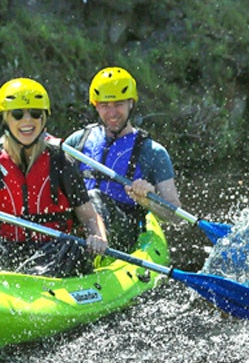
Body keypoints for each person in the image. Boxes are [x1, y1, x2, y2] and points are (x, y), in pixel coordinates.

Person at [0, 78, 109, 277]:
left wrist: (97, 236)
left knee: (68, 247)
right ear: (5, 120)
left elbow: (89, 216)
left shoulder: (61, 161)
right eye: (17, 114)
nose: (27, 121)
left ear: (44, 119)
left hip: (53, 247)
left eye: (35, 114)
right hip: (10, 245)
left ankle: (29, 280)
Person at [66, 67, 182, 250]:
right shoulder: (77, 142)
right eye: (105, 105)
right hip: (80, 223)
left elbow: (176, 216)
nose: (112, 113)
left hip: (123, 231)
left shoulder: (152, 152)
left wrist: (147, 201)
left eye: (118, 104)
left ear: (131, 103)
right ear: (96, 105)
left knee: (94, 196)